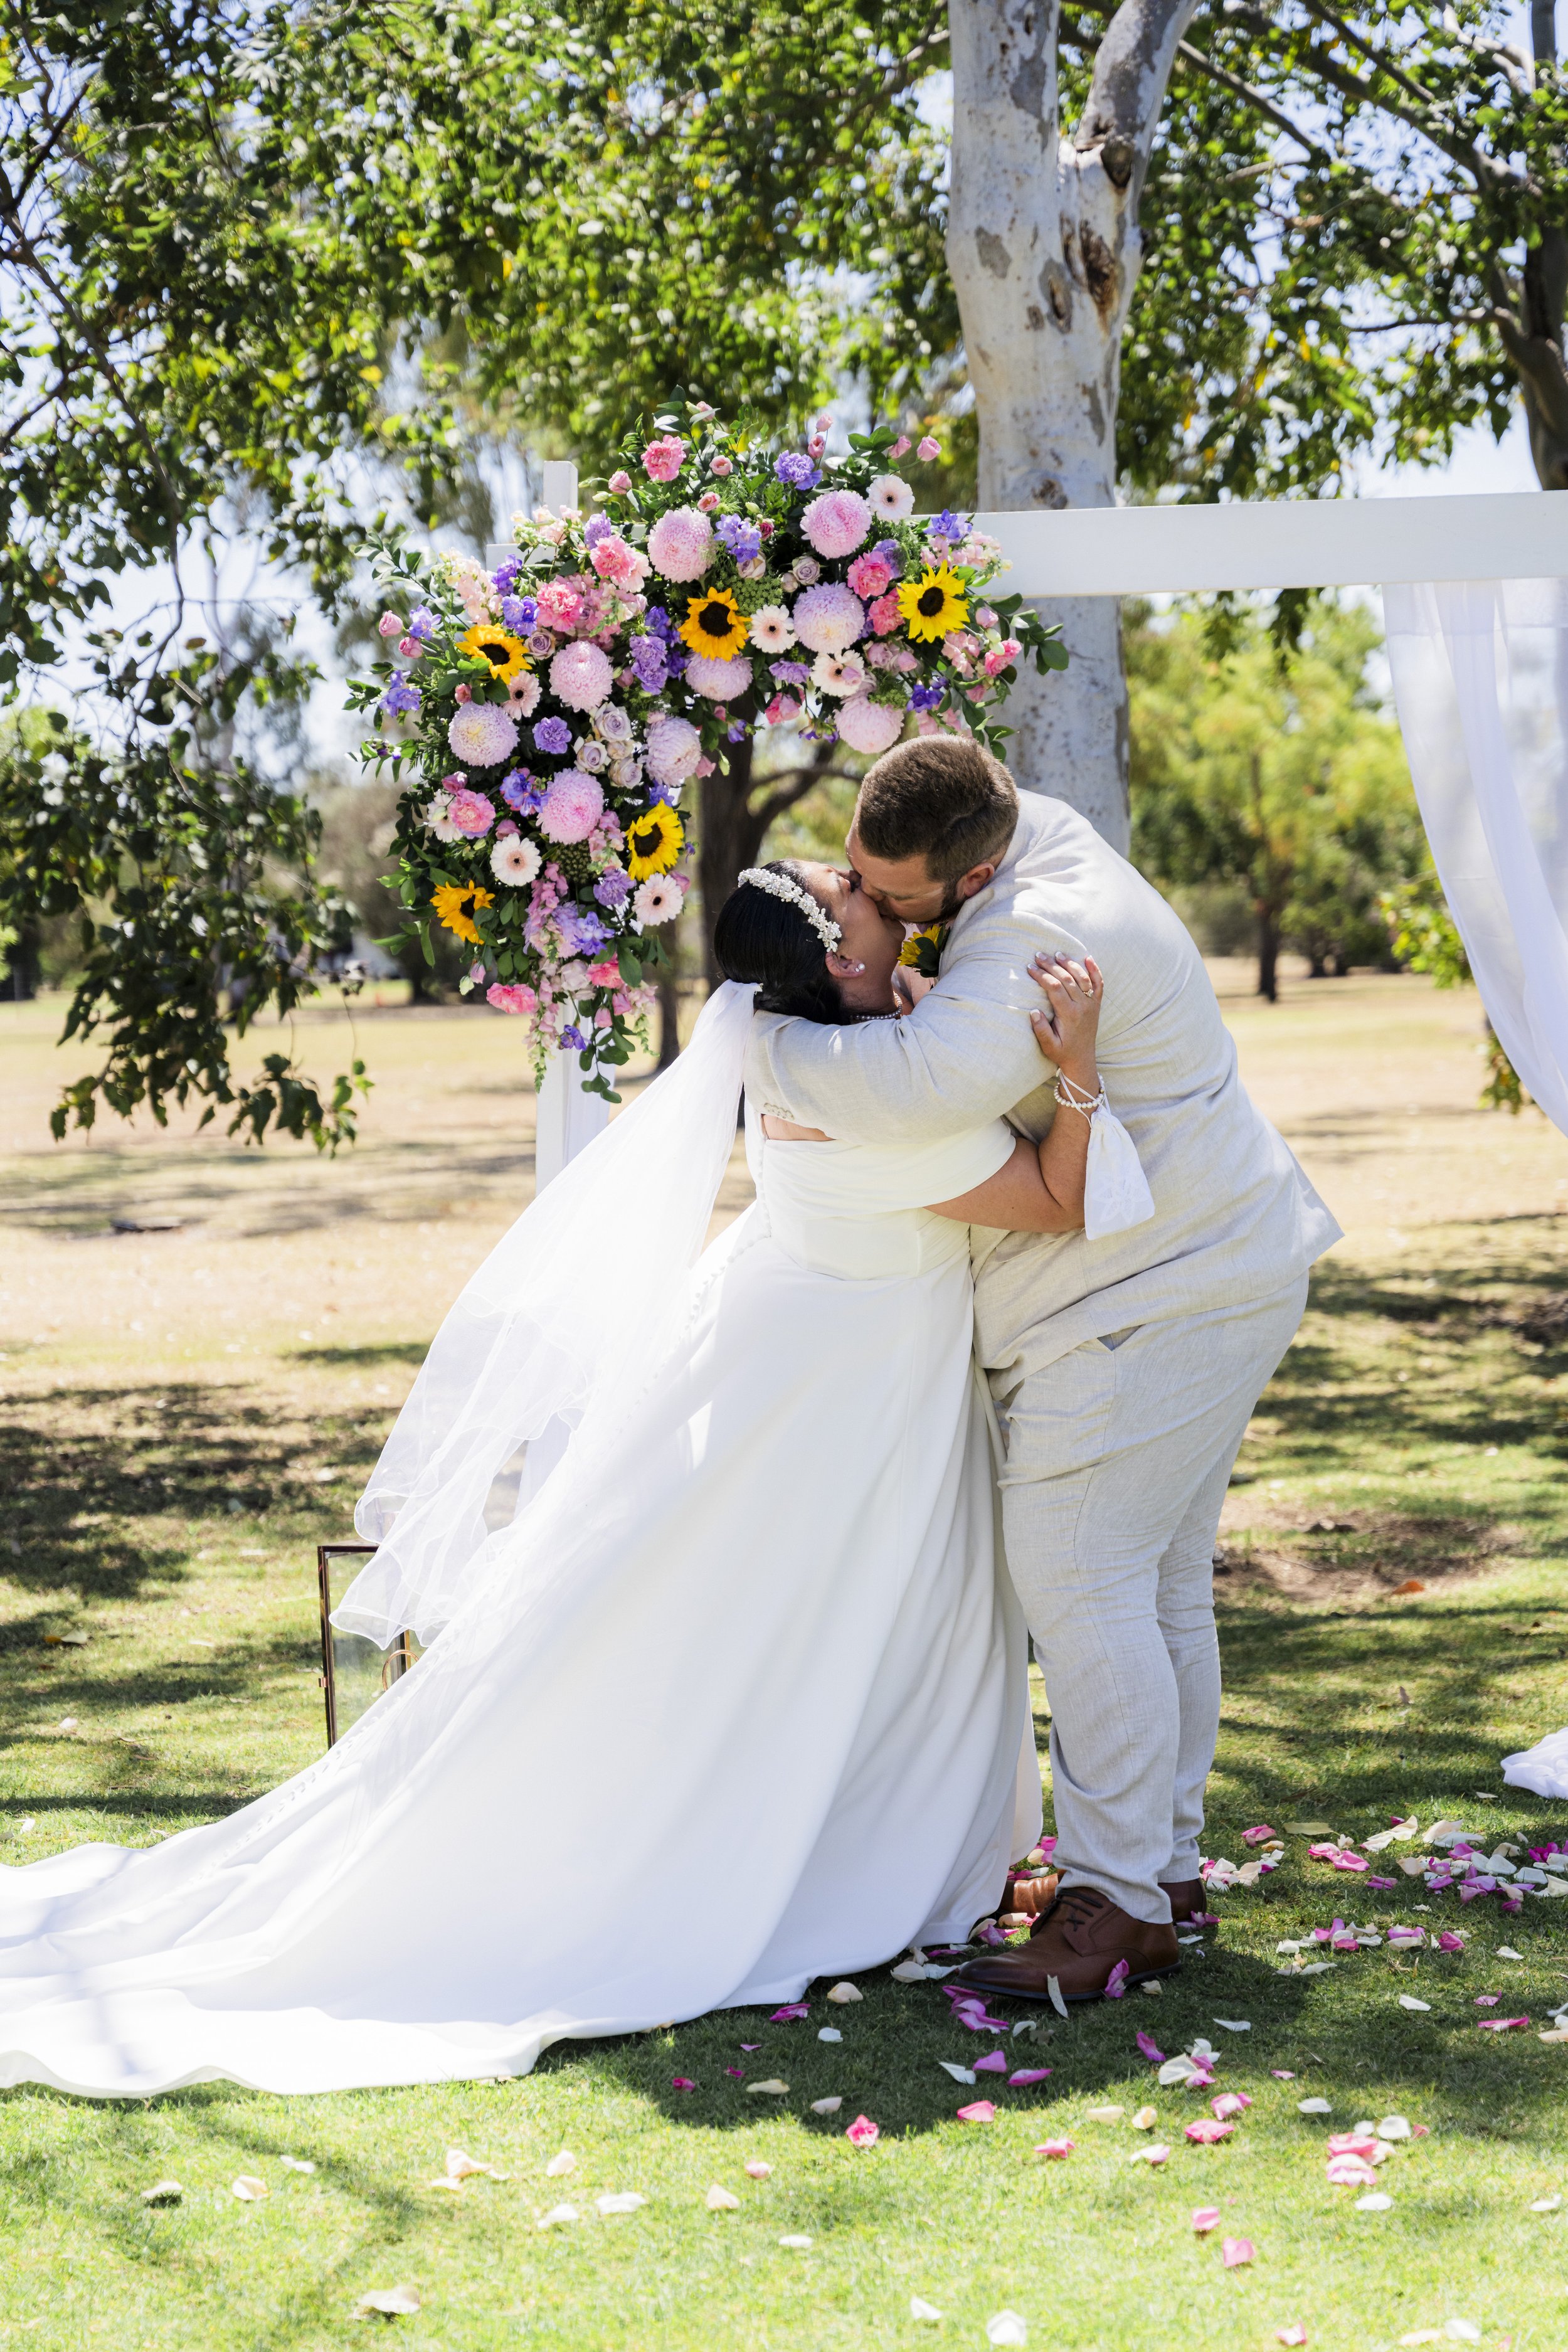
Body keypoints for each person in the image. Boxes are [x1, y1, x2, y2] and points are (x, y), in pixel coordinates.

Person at [0, 862, 1102, 2098]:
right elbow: (1058, 1200)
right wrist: (1078, 1073)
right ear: (835, 964)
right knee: (819, 1614)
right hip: (850, 1386)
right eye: (849, 899)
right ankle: (821, 1848)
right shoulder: (875, 1095)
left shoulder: (797, 1041)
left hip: (798, 1349)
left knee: (792, 1614)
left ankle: (843, 1823)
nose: (864, 891)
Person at [744, 736, 1342, 2002]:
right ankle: (1158, 1873)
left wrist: (751, 1045)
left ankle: (1113, 1903)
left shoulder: (1033, 937)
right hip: (1212, 1261)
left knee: (1080, 1576)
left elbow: (909, 1088)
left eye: (888, 895)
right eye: (854, 878)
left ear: (970, 873)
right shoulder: (1018, 832)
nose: (870, 907)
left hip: (1154, 1292)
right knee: (1154, 1580)